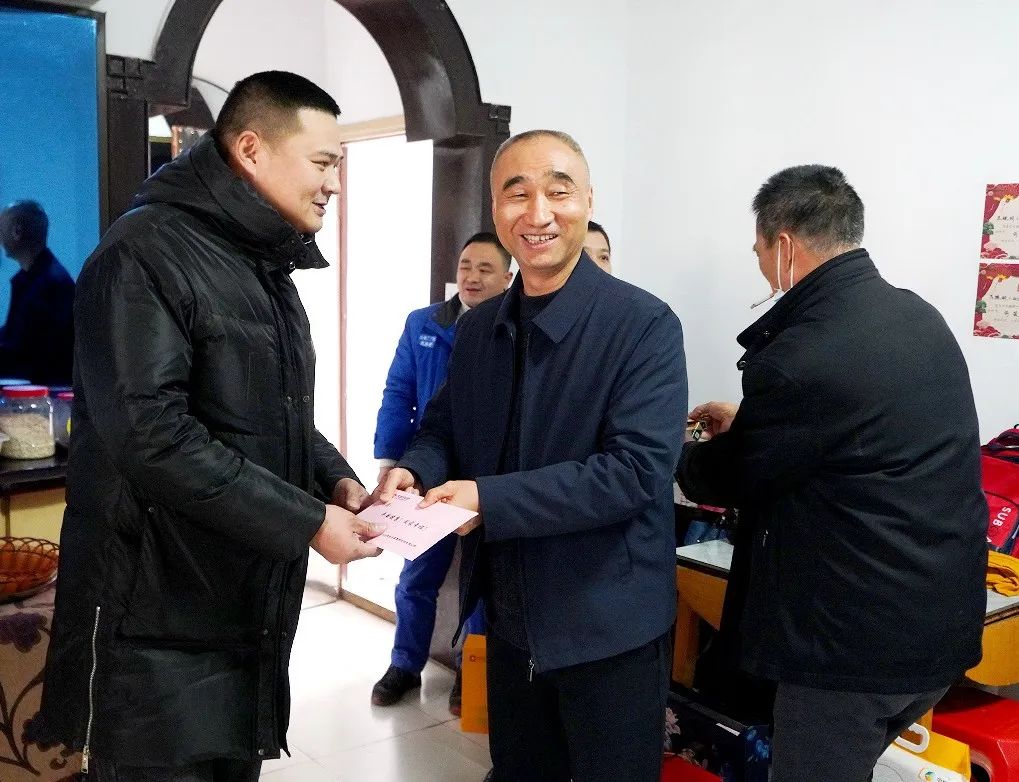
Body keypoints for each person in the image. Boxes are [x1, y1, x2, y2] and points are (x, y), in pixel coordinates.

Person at [32, 71, 383, 782]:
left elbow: (268, 409)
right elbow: (152, 436)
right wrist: (307, 521)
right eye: (323, 162)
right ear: (251, 150)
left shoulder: (260, 261)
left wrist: (334, 480)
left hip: (234, 603)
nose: (334, 184)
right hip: (149, 619)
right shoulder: (143, 252)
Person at [376, 129, 688, 782]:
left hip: (608, 625)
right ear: (495, 210)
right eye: (516, 194)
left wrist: (488, 499)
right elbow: (444, 428)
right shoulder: (478, 327)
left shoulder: (643, 325)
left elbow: (635, 473)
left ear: (588, 201)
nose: (537, 212)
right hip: (511, 619)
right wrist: (415, 468)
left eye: (558, 191)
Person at [676, 164, 988, 782]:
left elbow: (730, 479)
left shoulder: (802, 354)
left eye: (759, 251)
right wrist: (753, 424)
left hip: (851, 648)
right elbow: (859, 437)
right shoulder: (916, 316)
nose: (760, 266)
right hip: (941, 623)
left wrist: (669, 448)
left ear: (784, 246)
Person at [371, 231, 512, 713]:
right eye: (466, 266)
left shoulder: (514, 329)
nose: (472, 276)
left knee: (479, 582)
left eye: (485, 269)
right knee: (416, 575)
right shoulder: (424, 323)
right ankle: (404, 665)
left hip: (482, 481)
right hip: (428, 469)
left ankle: (470, 674)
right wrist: (391, 462)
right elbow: (398, 392)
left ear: (507, 278)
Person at [0, 200, 74, 384]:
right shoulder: (37, 280)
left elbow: (27, 352)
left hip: (44, 393)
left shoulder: (50, 285)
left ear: (17, 232)